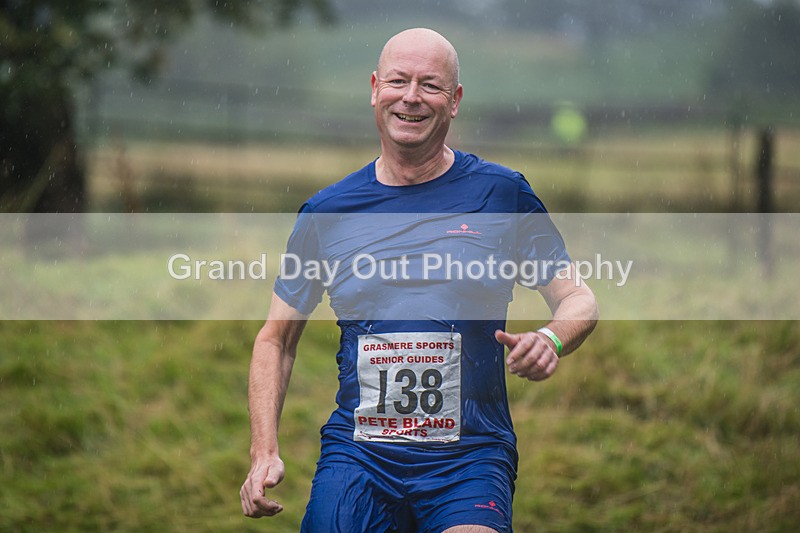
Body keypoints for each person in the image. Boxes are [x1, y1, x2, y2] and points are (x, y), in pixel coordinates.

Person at [241, 28, 598, 532]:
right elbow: (275, 339)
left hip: (469, 457)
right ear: (374, 88)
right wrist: (263, 452)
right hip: (360, 457)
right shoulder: (328, 212)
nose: (411, 97)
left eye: (430, 86)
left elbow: (578, 298)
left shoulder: (500, 194)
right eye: (398, 81)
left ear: (454, 101)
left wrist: (551, 338)